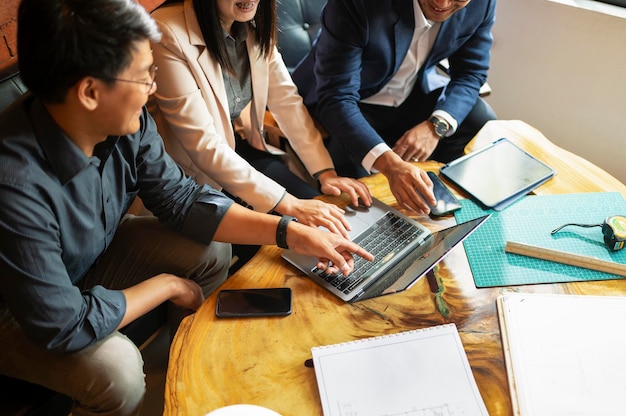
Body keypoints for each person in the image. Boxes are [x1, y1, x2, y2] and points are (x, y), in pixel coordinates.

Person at [0, 0, 373, 415]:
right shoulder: (14, 183)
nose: (153, 90)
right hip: (20, 311)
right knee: (117, 371)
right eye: (144, 77)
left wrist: (287, 229)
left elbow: (181, 199)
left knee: (210, 249)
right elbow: (64, 325)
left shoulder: (126, 122)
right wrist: (167, 285)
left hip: (85, 265)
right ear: (90, 91)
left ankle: (188, 384)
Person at [150, 0, 372, 241]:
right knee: (290, 231)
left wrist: (326, 173)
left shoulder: (253, 22)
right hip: (186, 177)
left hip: (236, 149)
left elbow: (287, 102)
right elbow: (203, 145)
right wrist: (291, 205)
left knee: (321, 213)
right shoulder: (166, 31)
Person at [292, 0, 498, 215]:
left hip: (413, 92)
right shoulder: (355, 4)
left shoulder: (481, 4)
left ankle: (454, 205)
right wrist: (390, 166)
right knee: (357, 195)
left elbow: (471, 73)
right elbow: (336, 97)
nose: (442, 3)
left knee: (479, 117)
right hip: (352, 105)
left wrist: (436, 125)